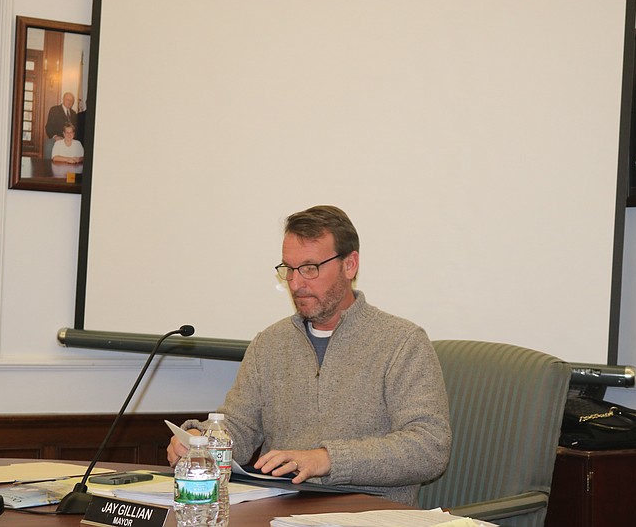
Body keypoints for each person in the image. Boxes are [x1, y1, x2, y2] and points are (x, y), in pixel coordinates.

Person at [166, 205, 452, 506]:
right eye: (289, 269)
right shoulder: (270, 344)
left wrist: (328, 459)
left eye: (310, 268)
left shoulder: (401, 342)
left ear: (349, 265)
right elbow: (239, 427)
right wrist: (201, 441)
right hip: (277, 508)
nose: (296, 283)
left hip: (367, 512)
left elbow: (429, 448)